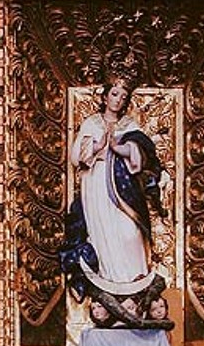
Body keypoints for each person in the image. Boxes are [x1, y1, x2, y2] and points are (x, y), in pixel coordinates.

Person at [68, 75, 163, 286]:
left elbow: (142, 153)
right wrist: (96, 146)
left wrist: (121, 148)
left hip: (124, 186)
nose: (118, 100)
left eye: (123, 97)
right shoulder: (91, 123)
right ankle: (111, 280)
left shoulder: (129, 124)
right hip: (96, 183)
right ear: (105, 97)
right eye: (114, 94)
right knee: (103, 232)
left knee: (130, 232)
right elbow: (75, 156)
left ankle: (136, 277)